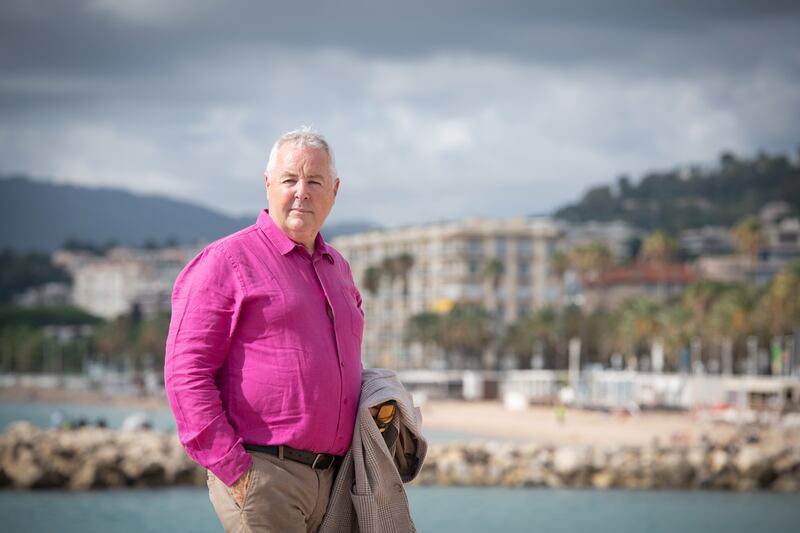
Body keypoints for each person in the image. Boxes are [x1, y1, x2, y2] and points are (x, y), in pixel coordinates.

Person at [164, 127, 364, 533]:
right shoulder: (226, 260)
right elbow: (185, 373)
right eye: (290, 180)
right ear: (268, 184)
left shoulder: (338, 268)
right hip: (265, 475)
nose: (301, 192)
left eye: (315, 181)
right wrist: (235, 470)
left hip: (337, 482)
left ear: (335, 190)